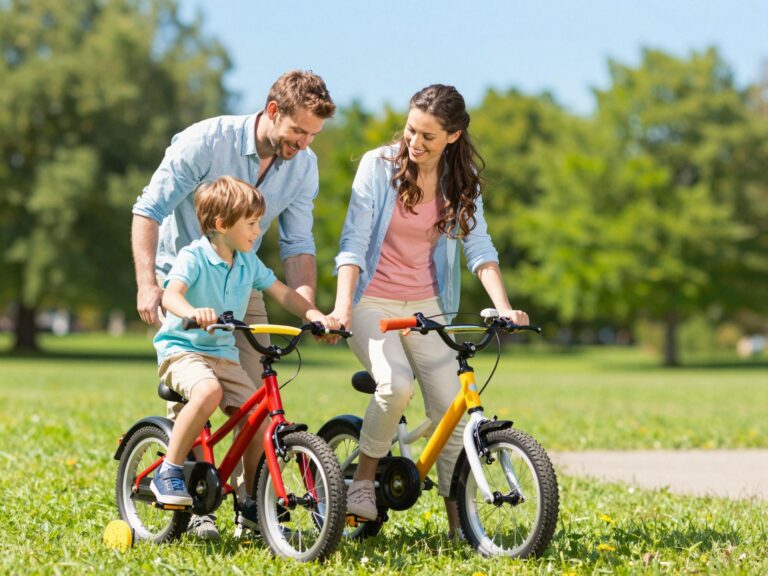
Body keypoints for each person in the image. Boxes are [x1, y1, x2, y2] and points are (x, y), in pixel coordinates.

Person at [131, 70, 335, 538]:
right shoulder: (206, 141)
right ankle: (195, 499)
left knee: (257, 396)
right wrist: (149, 287)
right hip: (184, 277)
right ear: (272, 112)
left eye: (313, 135)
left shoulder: (304, 165)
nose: (304, 143)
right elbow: (149, 209)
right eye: (298, 131)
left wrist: (311, 311)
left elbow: (298, 243)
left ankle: (249, 502)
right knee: (200, 389)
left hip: (242, 281)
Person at [330, 84, 530, 538]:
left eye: (428, 137)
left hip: (427, 305)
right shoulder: (377, 167)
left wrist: (503, 307)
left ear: (454, 137)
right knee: (396, 384)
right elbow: (354, 244)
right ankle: (362, 483)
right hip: (371, 302)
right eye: (410, 131)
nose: (415, 144)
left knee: (451, 407)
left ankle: (458, 521)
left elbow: (479, 247)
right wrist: (342, 309)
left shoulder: (462, 184)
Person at [151, 176, 338, 527]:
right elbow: (170, 294)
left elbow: (282, 292)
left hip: (224, 354)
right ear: (222, 225)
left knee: (260, 421)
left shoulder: (247, 262)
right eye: (251, 223)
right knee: (208, 391)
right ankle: (169, 469)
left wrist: (315, 315)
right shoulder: (194, 257)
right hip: (183, 351)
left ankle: (251, 500)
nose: (257, 230)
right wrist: (192, 312)